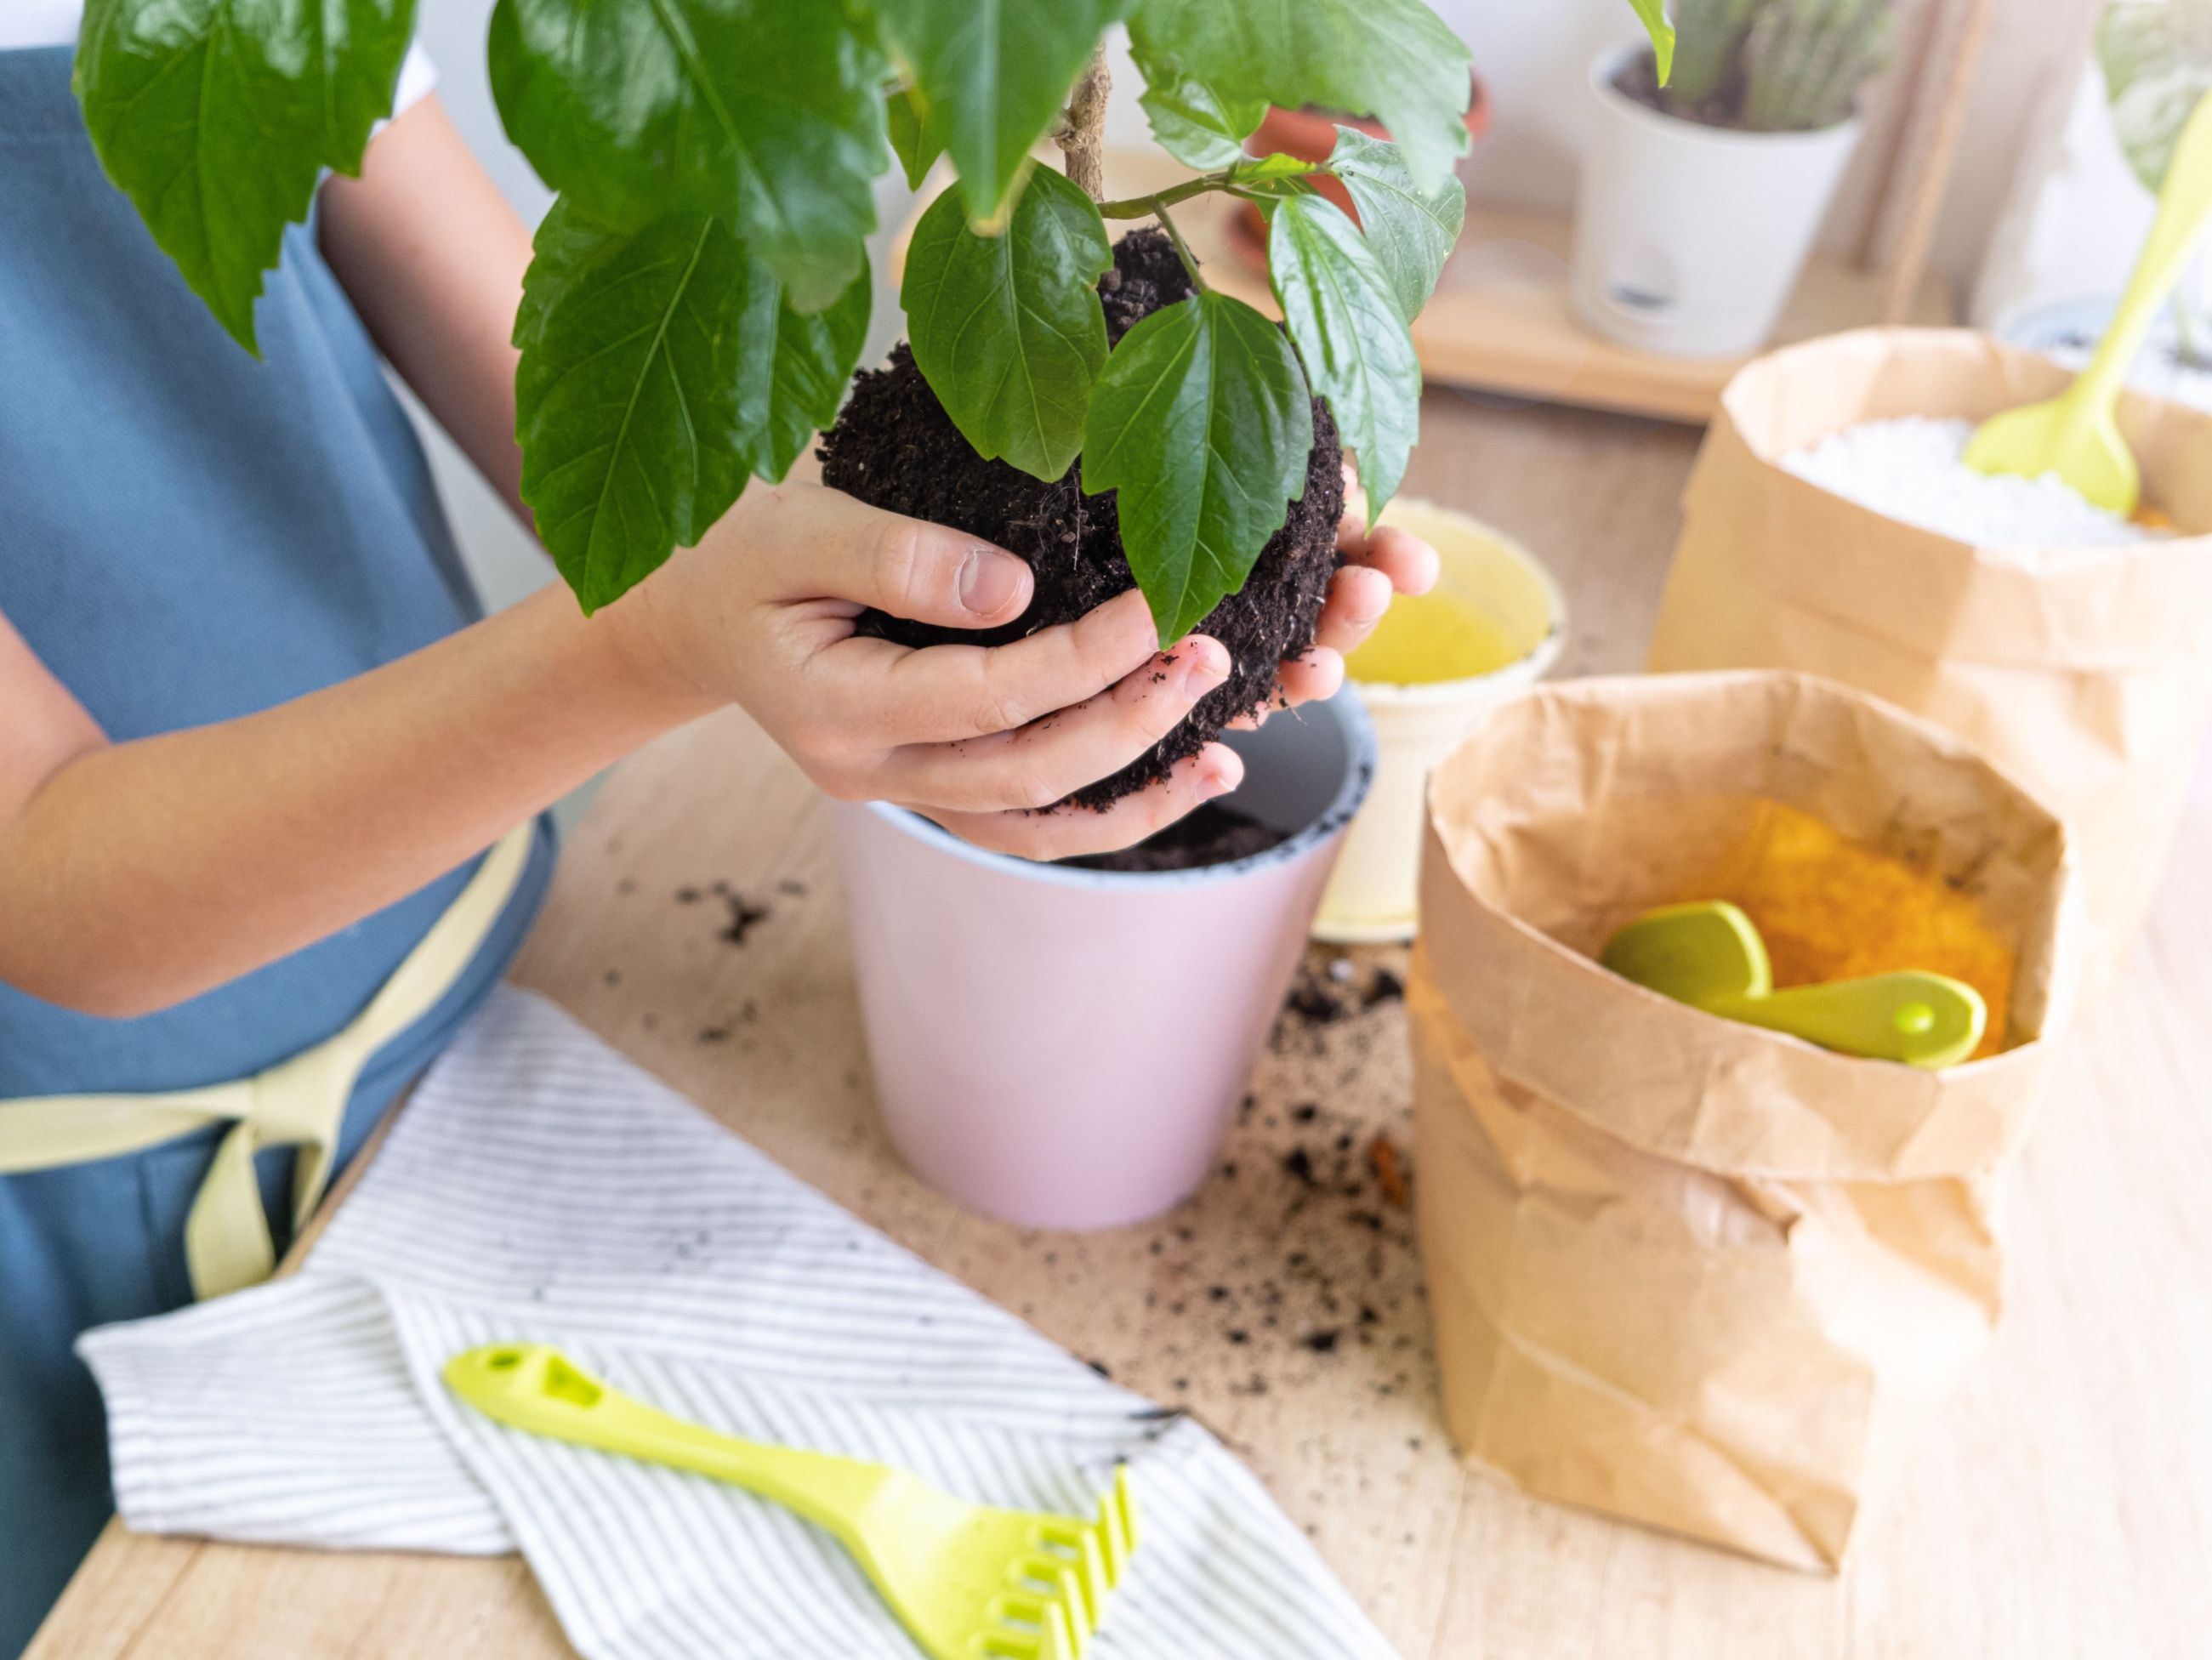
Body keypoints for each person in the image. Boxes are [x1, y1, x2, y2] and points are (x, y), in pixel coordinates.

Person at [0, 21, 1438, 1652]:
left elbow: (598, 454)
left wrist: (838, 565)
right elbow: (48, 883)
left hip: (490, 1006)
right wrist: (678, 641)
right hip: (89, 1207)